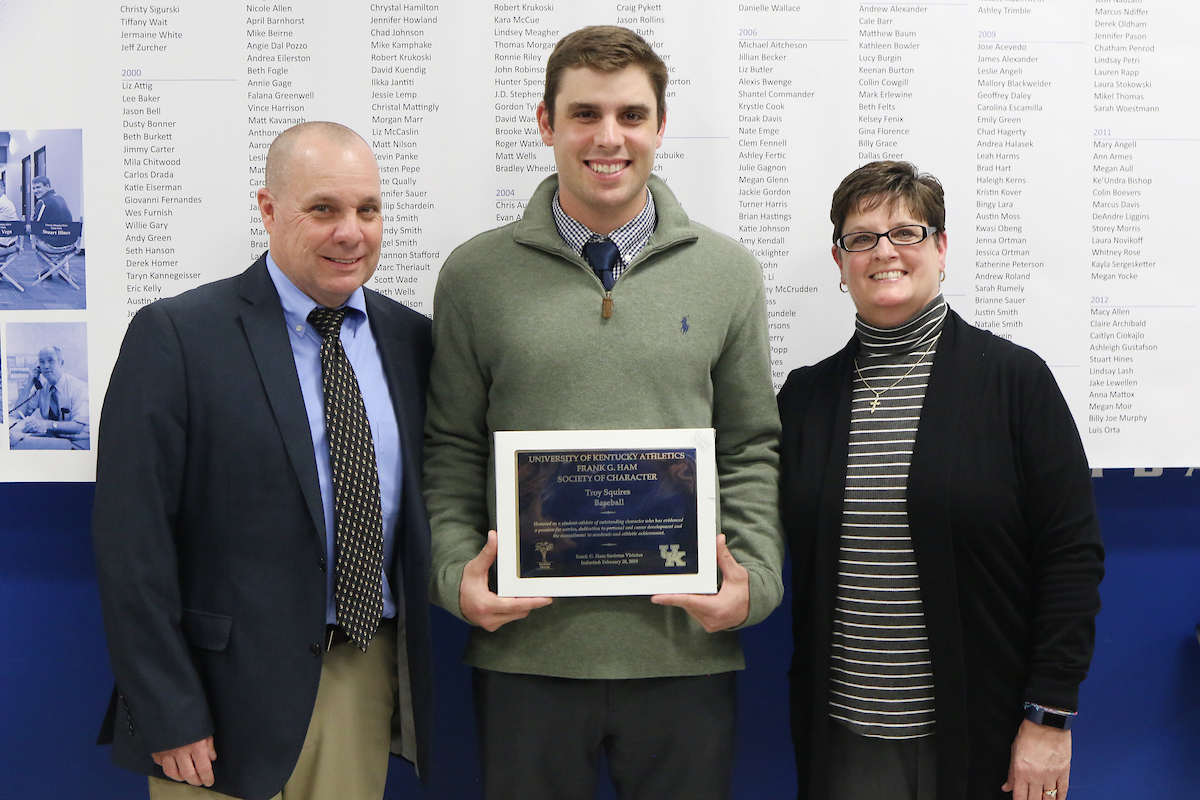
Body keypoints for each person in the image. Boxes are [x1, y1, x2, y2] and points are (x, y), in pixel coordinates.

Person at [424, 25, 783, 800]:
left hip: (684, 649)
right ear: (547, 124)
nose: (608, 137)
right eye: (584, 114)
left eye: (630, 115)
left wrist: (753, 579)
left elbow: (752, 445)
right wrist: (454, 575)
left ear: (659, 126)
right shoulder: (474, 275)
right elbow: (450, 446)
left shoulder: (728, 273)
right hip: (526, 652)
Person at [93, 122, 434, 800]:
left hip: (359, 678)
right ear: (269, 210)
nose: (352, 232)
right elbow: (132, 545)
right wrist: (167, 707)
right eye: (324, 209)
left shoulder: (412, 342)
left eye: (368, 209)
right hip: (217, 703)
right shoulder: (178, 335)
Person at [777, 161, 1104, 800]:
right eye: (861, 237)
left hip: (981, 733)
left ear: (942, 248)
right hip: (844, 734)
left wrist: (1050, 716)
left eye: (907, 231)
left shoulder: (1014, 381)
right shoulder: (806, 396)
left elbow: (1071, 557)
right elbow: (751, 521)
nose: (884, 251)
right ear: (840, 262)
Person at [10, 345, 89, 438]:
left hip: (78, 441)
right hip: (52, 439)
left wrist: (47, 424)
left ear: (61, 363)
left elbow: (78, 426)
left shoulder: (78, 387)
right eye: (42, 362)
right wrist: (29, 383)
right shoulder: (41, 387)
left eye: (50, 361)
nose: (46, 366)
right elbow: (19, 414)